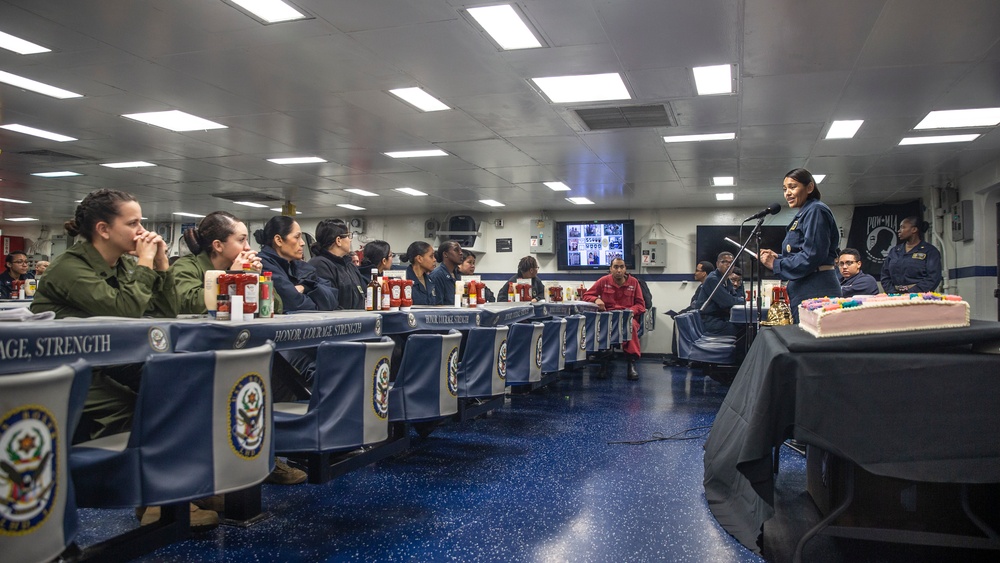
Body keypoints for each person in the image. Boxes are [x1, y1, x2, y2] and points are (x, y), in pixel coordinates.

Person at [28, 190, 219, 528]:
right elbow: (124, 313)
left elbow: (162, 313)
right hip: (60, 371)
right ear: (103, 229)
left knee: (178, 394)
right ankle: (157, 502)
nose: (142, 230)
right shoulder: (68, 268)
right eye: (133, 223)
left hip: (104, 360)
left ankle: (180, 489)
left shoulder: (122, 265)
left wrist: (161, 267)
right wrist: (146, 264)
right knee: (134, 412)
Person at [759, 168, 842, 322]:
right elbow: (803, 252)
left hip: (817, 288)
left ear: (809, 188)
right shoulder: (804, 213)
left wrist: (776, 264)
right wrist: (779, 257)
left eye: (793, 187)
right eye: (785, 189)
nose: (787, 193)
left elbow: (813, 255)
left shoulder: (815, 210)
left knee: (814, 344)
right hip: (805, 287)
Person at [167, 211, 269, 315]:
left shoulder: (235, 267)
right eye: (241, 240)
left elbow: (275, 307)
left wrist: (255, 278)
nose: (247, 247)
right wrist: (232, 278)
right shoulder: (185, 267)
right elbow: (191, 304)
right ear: (218, 246)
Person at [254, 216, 337, 312]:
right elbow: (293, 303)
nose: (302, 243)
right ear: (279, 240)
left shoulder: (300, 266)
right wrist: (318, 300)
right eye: (297, 237)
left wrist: (305, 287)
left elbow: (332, 298)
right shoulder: (263, 265)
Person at [581, 257, 646, 380]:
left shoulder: (634, 282)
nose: (619, 270)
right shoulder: (604, 281)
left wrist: (631, 311)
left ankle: (631, 364)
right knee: (601, 327)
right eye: (616, 267)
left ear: (625, 269)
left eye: (622, 267)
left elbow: (641, 305)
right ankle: (604, 363)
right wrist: (596, 299)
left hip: (627, 317)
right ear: (611, 269)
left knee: (630, 327)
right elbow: (586, 295)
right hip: (608, 317)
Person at [308, 219, 366, 310]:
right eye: (348, 236)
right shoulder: (320, 265)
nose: (350, 240)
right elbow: (328, 301)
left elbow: (364, 292)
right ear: (338, 240)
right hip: (338, 321)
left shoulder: (349, 265)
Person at [880, 216, 943, 294]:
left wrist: (911, 292)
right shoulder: (894, 251)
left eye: (903, 227)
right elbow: (885, 275)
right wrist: (892, 292)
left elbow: (933, 278)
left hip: (919, 297)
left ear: (914, 229)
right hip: (895, 296)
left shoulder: (929, 251)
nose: (899, 231)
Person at [698, 252, 744, 336]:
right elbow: (727, 302)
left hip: (721, 318)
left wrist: (742, 299)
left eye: (731, 263)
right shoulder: (713, 279)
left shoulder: (725, 279)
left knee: (746, 325)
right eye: (724, 262)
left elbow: (734, 296)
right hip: (710, 321)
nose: (728, 265)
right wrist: (746, 301)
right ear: (717, 264)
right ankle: (738, 349)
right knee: (744, 329)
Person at [427, 240, 463, 306]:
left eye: (461, 250)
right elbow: (437, 304)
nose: (461, 253)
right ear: (445, 254)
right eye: (456, 250)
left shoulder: (458, 274)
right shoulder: (437, 275)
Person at [403, 241, 439, 305]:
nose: (434, 260)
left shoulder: (431, 280)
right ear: (419, 259)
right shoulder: (404, 280)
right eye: (431, 256)